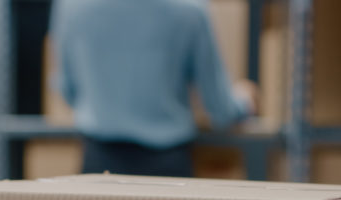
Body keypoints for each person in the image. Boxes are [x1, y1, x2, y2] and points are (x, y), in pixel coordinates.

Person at [50, 0, 258, 177]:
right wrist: (245, 101)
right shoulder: (188, 7)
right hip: (169, 167)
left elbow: (68, 91)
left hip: (99, 164)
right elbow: (220, 109)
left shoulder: (73, 5)